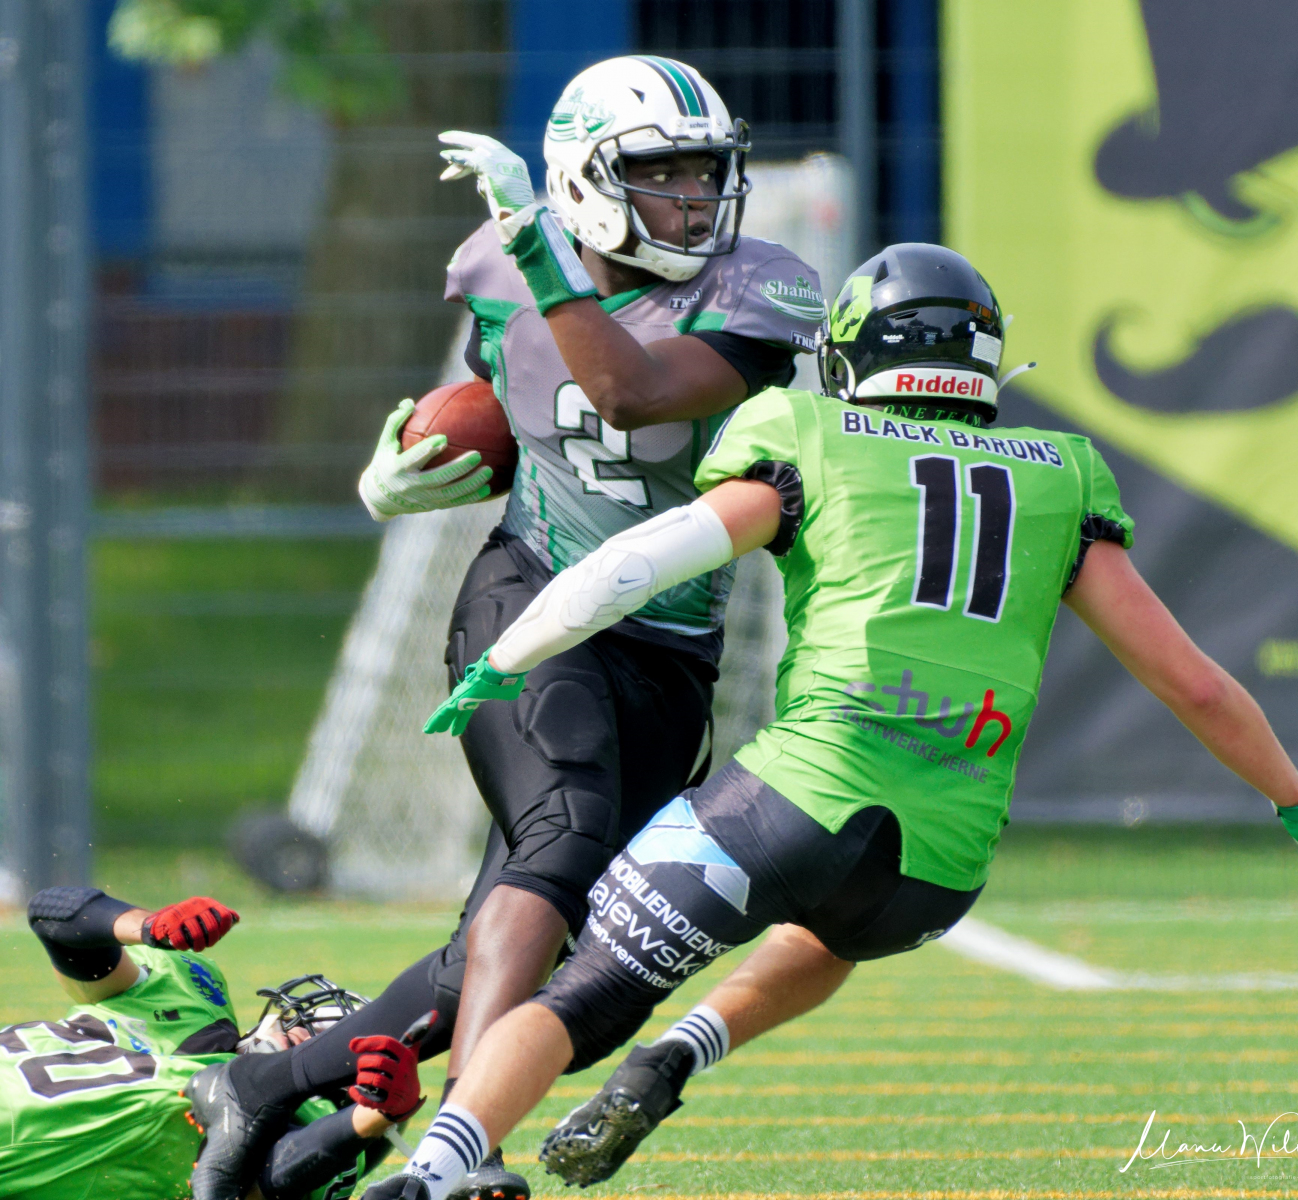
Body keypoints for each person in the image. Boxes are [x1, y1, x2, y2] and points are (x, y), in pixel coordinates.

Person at [355, 243, 1298, 1200]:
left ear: (854, 355)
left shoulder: (806, 431)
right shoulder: (1060, 471)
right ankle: (676, 1056)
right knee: (829, 927)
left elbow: (640, 563)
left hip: (793, 800)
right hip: (937, 875)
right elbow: (1195, 685)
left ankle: (433, 1174)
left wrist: (505, 655)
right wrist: (1294, 800)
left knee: (579, 996)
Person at [190, 54, 849, 1200]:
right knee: (564, 835)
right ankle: (462, 1149)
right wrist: (404, 471)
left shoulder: (758, 286)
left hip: (669, 648)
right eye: (663, 174)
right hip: (532, 606)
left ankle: (269, 1096)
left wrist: (544, 254)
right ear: (589, 180)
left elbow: (632, 391)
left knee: (577, 956)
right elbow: (513, 389)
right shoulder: (495, 263)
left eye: (705, 171)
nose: (696, 198)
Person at [0, 886, 422, 1200]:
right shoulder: (193, 999)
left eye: (325, 1038)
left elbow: (275, 1176)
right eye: (306, 1023)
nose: (301, 1027)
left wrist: (370, 1120)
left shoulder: (304, 1128)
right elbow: (52, 917)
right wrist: (144, 926)